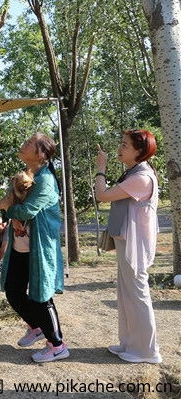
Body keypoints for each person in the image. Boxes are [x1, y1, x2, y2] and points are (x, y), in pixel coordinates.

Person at [0, 132, 67, 363]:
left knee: (41, 297)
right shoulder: (24, 175)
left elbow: (26, 211)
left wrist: (8, 210)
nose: (22, 145)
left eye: (28, 144)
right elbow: (6, 202)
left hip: (39, 247)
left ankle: (57, 345)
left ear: (41, 154)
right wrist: (5, 211)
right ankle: (36, 327)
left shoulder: (45, 180)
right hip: (20, 245)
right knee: (12, 290)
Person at [94, 129, 162, 364]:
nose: (120, 148)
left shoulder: (141, 178)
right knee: (126, 294)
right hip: (127, 241)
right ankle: (130, 343)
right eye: (121, 143)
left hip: (136, 245)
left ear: (139, 151)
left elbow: (102, 195)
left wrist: (100, 168)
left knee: (137, 294)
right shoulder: (135, 173)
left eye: (125, 145)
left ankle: (148, 351)